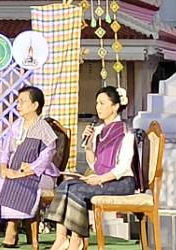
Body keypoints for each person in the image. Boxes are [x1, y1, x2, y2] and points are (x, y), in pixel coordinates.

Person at [43, 86, 138, 250]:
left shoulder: (125, 131)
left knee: (77, 191)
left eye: (102, 103)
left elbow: (123, 167)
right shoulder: (99, 130)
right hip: (103, 178)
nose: (98, 107)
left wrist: (99, 179)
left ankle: (76, 241)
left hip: (121, 181)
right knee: (66, 185)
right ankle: (60, 238)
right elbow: (94, 164)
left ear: (115, 107)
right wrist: (88, 143)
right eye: (97, 103)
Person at [0, 86, 58, 248]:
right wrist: (4, 169)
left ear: (35, 105)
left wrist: (26, 170)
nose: (18, 105)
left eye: (23, 102)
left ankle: (12, 229)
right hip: (14, 171)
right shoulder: (16, 126)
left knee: (13, 182)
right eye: (17, 102)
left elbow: (47, 156)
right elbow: (4, 152)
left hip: (39, 175)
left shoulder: (43, 128)